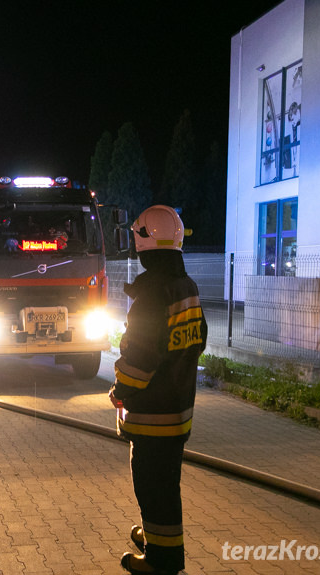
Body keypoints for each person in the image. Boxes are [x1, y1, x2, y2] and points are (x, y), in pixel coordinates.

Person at [109, 206, 207, 575]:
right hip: (179, 412)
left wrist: (119, 391)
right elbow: (199, 341)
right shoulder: (188, 288)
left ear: (142, 242)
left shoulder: (151, 295)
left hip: (152, 416)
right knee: (165, 485)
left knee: (153, 488)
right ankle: (157, 537)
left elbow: (139, 361)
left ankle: (162, 560)